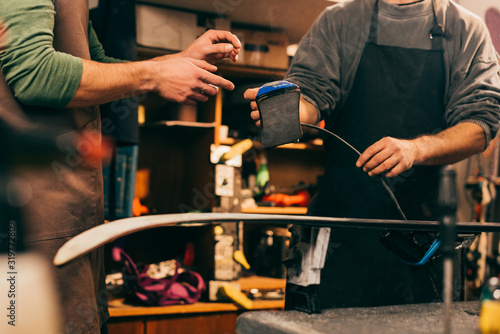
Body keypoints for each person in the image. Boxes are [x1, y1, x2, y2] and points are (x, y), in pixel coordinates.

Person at [0, 0, 240, 333]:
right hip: (32, 221)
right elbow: (35, 73)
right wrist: (155, 75)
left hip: (74, 218)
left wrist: (177, 61)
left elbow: (98, 67)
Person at [245, 0, 500, 308]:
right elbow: (312, 93)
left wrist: (416, 149)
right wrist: (285, 111)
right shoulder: (340, 20)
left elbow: (479, 125)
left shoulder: (466, 30)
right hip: (338, 236)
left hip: (421, 242)